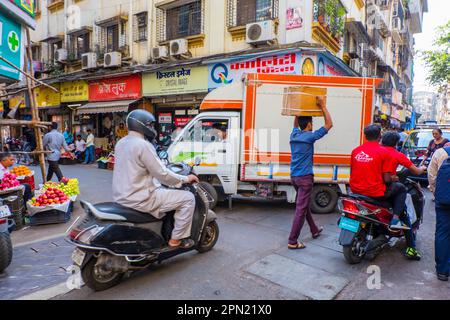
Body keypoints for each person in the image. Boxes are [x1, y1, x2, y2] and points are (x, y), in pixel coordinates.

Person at [112, 109, 199, 248]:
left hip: (121, 197)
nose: (152, 128)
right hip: (141, 199)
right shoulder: (143, 145)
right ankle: (176, 239)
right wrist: (185, 179)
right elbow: (163, 174)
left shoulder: (121, 143)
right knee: (188, 198)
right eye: (150, 125)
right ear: (142, 125)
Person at [287, 97, 332, 250]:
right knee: (300, 209)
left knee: (303, 206)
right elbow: (329, 124)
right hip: (305, 178)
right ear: (309, 124)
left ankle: (314, 230)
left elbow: (295, 125)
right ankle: (292, 241)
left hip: (294, 177)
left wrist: (297, 110)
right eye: (312, 123)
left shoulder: (294, 135)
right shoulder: (310, 137)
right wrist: (323, 106)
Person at [350, 125, 410, 231]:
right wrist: (394, 179)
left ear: (365, 136)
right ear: (379, 136)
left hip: (355, 191)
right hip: (374, 193)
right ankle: (395, 219)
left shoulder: (355, 151)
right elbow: (387, 179)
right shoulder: (383, 152)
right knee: (401, 188)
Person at [381, 131, 427, 260]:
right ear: (396, 143)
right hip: (381, 189)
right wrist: (422, 168)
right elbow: (416, 171)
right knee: (404, 211)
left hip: (361, 189)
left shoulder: (374, 152)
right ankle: (411, 247)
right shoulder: (396, 154)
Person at [427, 141, 450, 281]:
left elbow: (431, 176)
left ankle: (442, 270)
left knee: (442, 233)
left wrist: (436, 193)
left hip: (444, 200)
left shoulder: (440, 152)